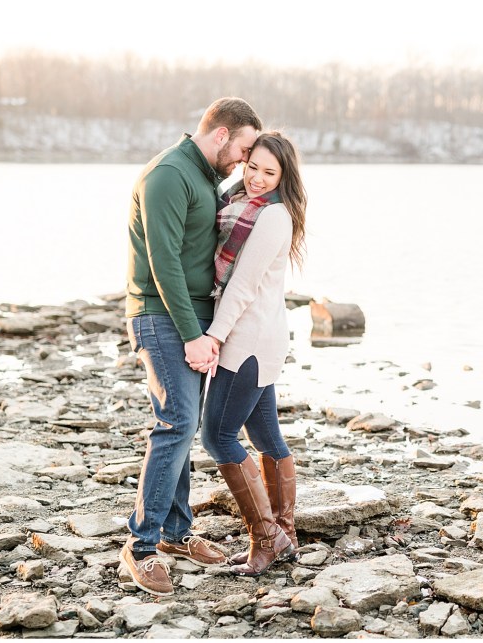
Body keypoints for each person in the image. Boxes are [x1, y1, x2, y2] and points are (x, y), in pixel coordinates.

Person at [122, 97, 262, 596]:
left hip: (192, 320)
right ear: (222, 134)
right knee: (177, 422)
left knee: (183, 425)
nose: (244, 161)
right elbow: (164, 263)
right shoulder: (168, 175)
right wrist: (191, 334)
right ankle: (141, 546)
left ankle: (176, 533)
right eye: (244, 150)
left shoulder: (204, 176)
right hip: (161, 318)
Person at [199, 131, 307, 575]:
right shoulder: (243, 205)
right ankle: (285, 533)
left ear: (284, 177)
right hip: (263, 334)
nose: (257, 178)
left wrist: (214, 336)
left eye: (269, 172)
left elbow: (242, 285)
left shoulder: (272, 217)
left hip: (249, 340)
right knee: (265, 436)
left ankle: (266, 538)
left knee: (217, 436)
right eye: (252, 167)